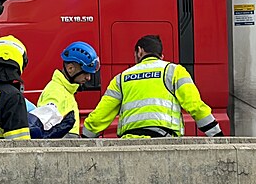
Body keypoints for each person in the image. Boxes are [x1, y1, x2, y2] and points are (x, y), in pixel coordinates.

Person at [82, 35, 224, 138]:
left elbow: (100, 116)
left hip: (129, 144)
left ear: (139, 51)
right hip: (165, 142)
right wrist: (217, 135)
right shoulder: (174, 71)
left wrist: (84, 138)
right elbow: (196, 106)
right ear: (161, 56)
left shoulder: (121, 78)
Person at [33, 41, 100, 138]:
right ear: (70, 68)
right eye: (85, 72)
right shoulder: (55, 92)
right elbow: (47, 132)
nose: (88, 78)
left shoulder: (66, 90)